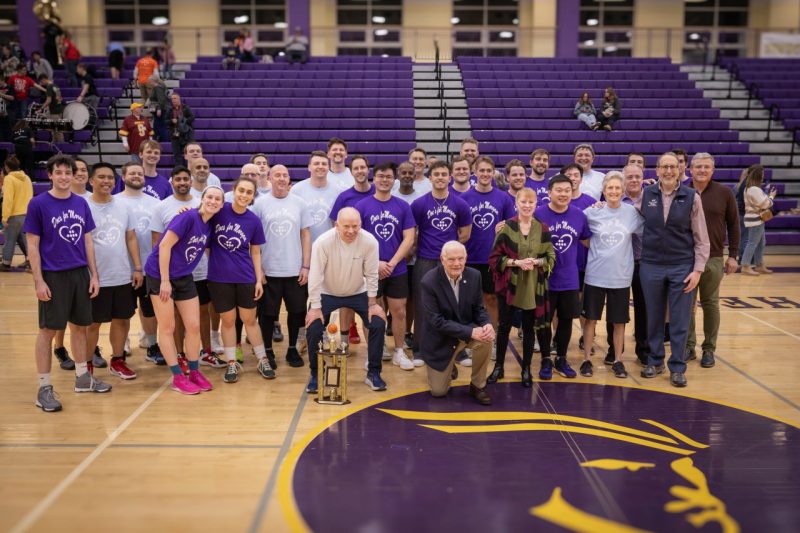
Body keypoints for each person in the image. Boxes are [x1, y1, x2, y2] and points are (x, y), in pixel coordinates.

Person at [24, 155, 111, 412]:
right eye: (58, 172)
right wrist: (38, 281)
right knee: (48, 332)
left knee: (81, 328)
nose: (63, 177)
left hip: (79, 273)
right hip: (53, 275)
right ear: (50, 175)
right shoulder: (38, 204)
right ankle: (44, 388)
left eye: (67, 173)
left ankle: (83, 377)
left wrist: (93, 275)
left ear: (74, 176)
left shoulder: (81, 204)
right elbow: (32, 244)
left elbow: (87, 242)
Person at [637, 152, 709, 388]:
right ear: (656, 170)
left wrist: (697, 270)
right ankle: (655, 360)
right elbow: (628, 216)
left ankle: (677, 366)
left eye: (673, 167)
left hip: (681, 266)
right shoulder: (646, 194)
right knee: (654, 317)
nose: (668, 171)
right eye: (664, 167)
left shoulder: (691, 197)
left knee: (679, 320)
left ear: (680, 170)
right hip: (651, 264)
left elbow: (702, 238)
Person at [144, 186, 223, 394]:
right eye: (210, 197)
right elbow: (163, 246)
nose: (213, 201)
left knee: (194, 325)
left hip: (184, 276)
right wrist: (164, 280)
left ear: (222, 204)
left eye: (218, 199)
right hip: (160, 275)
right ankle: (177, 376)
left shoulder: (209, 224)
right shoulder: (187, 217)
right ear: (202, 199)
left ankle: (194, 370)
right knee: (168, 327)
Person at [304, 207, 387, 394]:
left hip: (358, 291)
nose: (351, 231)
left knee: (377, 322)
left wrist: (373, 304)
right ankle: (316, 374)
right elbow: (315, 276)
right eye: (346, 226)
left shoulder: (369, 241)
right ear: (337, 225)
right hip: (327, 292)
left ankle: (373, 373)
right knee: (314, 326)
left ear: (361, 225)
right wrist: (315, 308)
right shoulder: (323, 242)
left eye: (355, 226)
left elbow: (372, 274)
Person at [207, 177, 272, 384]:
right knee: (227, 321)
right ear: (233, 191)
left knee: (249, 319)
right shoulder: (219, 212)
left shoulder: (253, 220)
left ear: (253, 196)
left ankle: (262, 359)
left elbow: (255, 252)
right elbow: (202, 226)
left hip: (245, 277)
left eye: (249, 192)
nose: (244, 195)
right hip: (219, 278)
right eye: (241, 190)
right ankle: (232, 362)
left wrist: (258, 280)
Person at [580, 172, 644, 379]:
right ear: (604, 191)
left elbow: (648, 232)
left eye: (618, 188)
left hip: (621, 276)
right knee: (590, 319)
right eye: (610, 188)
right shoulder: (591, 212)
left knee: (619, 321)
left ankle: (618, 360)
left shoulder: (631, 213)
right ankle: (586, 359)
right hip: (595, 274)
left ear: (623, 190)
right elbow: (581, 235)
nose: (614, 192)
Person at [488, 188, 555, 386]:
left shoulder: (542, 229)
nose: (527, 205)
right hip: (509, 284)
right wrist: (516, 263)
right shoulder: (506, 227)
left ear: (536, 205)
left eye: (531, 202)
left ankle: (526, 368)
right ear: (516, 203)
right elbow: (494, 258)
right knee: (504, 327)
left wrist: (536, 263)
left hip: (533, 284)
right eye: (523, 202)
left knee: (528, 329)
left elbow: (550, 257)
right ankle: (498, 367)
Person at [355, 161, 417, 370]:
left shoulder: (403, 206)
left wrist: (391, 262)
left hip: (396, 268)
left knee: (399, 311)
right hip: (370, 269)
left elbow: (409, 238)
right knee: (372, 310)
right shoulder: (362, 206)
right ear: (374, 178)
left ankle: (399, 351)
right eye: (380, 176)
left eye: (388, 177)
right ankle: (374, 351)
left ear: (394, 179)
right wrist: (375, 262)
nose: (384, 180)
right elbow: (355, 238)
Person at [410, 160, 472, 365]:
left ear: (450, 177)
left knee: (455, 305)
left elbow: (465, 234)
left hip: (452, 262)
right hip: (426, 260)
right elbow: (412, 233)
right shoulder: (419, 204)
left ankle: (459, 350)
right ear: (430, 178)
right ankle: (419, 349)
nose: (440, 177)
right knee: (422, 305)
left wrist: (449, 253)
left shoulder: (460, 204)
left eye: (444, 174)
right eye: (436, 174)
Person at [85, 162, 142, 381]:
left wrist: (137, 267)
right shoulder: (83, 206)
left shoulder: (123, 206)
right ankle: (87, 364)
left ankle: (117, 360)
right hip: (95, 277)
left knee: (122, 319)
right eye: (101, 177)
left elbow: (131, 237)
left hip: (121, 274)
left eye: (110, 177)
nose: (107, 181)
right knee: (92, 323)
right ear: (91, 180)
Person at [420, 241, 494, 405]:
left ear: (466, 258)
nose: (457, 263)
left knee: (486, 339)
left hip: (465, 333)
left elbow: (479, 309)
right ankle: (449, 363)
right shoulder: (429, 281)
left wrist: (486, 323)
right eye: (451, 259)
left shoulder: (474, 276)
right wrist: (471, 332)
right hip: (440, 340)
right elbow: (436, 322)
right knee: (439, 392)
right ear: (442, 259)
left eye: (460, 258)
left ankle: (478, 385)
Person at [253, 164, 311, 368]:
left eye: (284, 175)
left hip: (295, 269)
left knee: (297, 312)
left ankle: (292, 350)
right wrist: (258, 269)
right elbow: (254, 241)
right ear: (269, 177)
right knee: (267, 313)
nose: (281, 178)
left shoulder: (300, 203)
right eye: (277, 175)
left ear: (288, 179)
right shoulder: (259, 204)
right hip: (269, 270)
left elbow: (305, 235)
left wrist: (306, 266)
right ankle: (267, 351)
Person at [686, 153, 739, 368]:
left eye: (706, 167)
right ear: (690, 169)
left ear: (713, 170)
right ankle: (689, 346)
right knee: (686, 306)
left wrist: (733, 256)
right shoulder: (683, 192)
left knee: (710, 304)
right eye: (698, 167)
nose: (702, 170)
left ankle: (709, 349)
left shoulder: (725, 193)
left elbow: (734, 225)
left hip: (714, 258)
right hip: (686, 258)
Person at [534, 174, 591, 378]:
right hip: (544, 279)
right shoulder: (538, 214)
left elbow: (587, 241)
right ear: (549, 192)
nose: (563, 194)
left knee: (566, 320)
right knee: (544, 322)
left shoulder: (579, 215)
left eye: (567, 190)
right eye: (559, 190)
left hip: (569, 278)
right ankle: (546, 359)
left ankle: (562, 358)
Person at [462, 156, 516, 358]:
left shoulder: (503, 198)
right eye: (481, 170)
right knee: (467, 303)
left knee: (492, 300)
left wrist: (506, 228)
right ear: (474, 172)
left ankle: (490, 340)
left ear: (494, 173)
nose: (485, 174)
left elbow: (513, 227)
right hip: (468, 258)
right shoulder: (464, 198)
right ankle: (468, 340)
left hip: (493, 259)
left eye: (488, 171)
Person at [114, 160, 164, 366]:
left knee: (149, 309)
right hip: (122, 267)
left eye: (140, 174)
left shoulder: (155, 202)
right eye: (132, 174)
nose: (136, 177)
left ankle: (152, 345)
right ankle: (122, 344)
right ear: (123, 177)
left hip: (147, 266)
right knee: (123, 310)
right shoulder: (115, 201)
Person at [292, 150, 345, 242]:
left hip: (330, 247)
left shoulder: (338, 192)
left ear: (328, 167)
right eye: (316, 163)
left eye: (324, 164)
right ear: (309, 167)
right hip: (304, 247)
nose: (320, 166)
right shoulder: (296, 190)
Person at [741, 164, 776, 276]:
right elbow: (765, 204)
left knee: (761, 243)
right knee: (752, 243)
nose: (763, 176)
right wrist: (771, 197)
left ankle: (759, 264)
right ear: (758, 175)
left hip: (756, 219)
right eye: (762, 174)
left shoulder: (751, 188)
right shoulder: (754, 189)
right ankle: (745, 266)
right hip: (755, 220)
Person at [1, 155, 32, 271]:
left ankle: (5, 264)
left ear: (7, 167)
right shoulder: (27, 178)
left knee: (9, 240)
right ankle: (30, 261)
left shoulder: (9, 178)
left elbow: (8, 199)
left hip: (14, 215)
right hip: (27, 215)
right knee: (23, 239)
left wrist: (4, 217)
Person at [168, 92, 194, 168]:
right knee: (177, 153)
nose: (173, 100)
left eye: (175, 98)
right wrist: (171, 121)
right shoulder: (169, 110)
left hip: (186, 133)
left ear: (179, 99)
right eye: (172, 99)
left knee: (189, 151)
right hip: (175, 133)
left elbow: (192, 118)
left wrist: (183, 121)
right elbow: (165, 121)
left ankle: (190, 168)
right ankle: (179, 169)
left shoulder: (186, 108)